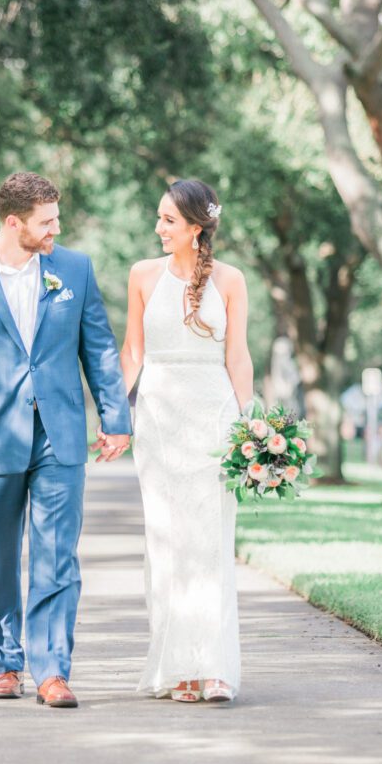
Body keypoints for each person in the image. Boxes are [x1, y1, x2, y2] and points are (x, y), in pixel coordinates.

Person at [0, 171, 131, 707]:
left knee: (57, 555)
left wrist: (116, 417)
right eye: (47, 221)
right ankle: (5, 662)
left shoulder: (74, 269)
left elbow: (100, 348)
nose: (56, 229)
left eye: (57, 218)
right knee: (0, 557)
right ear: (14, 222)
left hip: (60, 434)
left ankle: (52, 670)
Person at [121, 179, 253, 703]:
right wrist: (119, 417)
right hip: (157, 418)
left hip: (214, 418)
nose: (158, 228)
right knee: (167, 543)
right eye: (158, 218)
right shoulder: (141, 275)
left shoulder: (231, 280)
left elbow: (237, 357)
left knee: (211, 543)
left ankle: (215, 668)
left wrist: (252, 428)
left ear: (196, 227)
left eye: (168, 221)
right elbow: (132, 352)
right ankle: (179, 670)